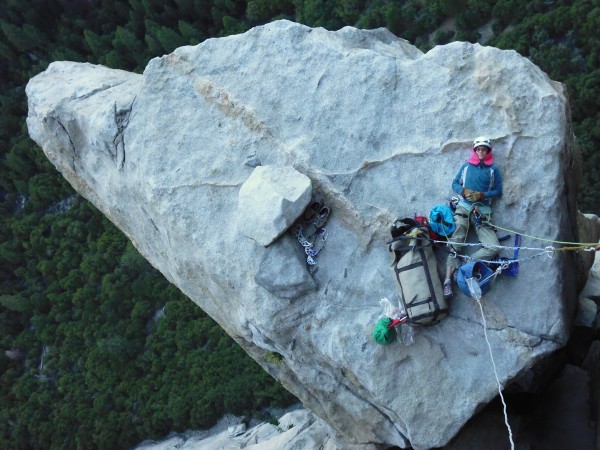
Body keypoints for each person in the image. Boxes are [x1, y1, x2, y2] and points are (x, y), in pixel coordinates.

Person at [443, 137, 503, 300]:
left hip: (482, 210)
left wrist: (483, 195)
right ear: (475, 151)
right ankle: (448, 280)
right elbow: (455, 183)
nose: (481, 152)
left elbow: (498, 191)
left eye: (484, 149)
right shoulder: (466, 167)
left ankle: (467, 263)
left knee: (493, 247)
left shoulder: (493, 170)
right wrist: (463, 192)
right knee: (457, 240)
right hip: (463, 207)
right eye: (478, 149)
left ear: (488, 151)